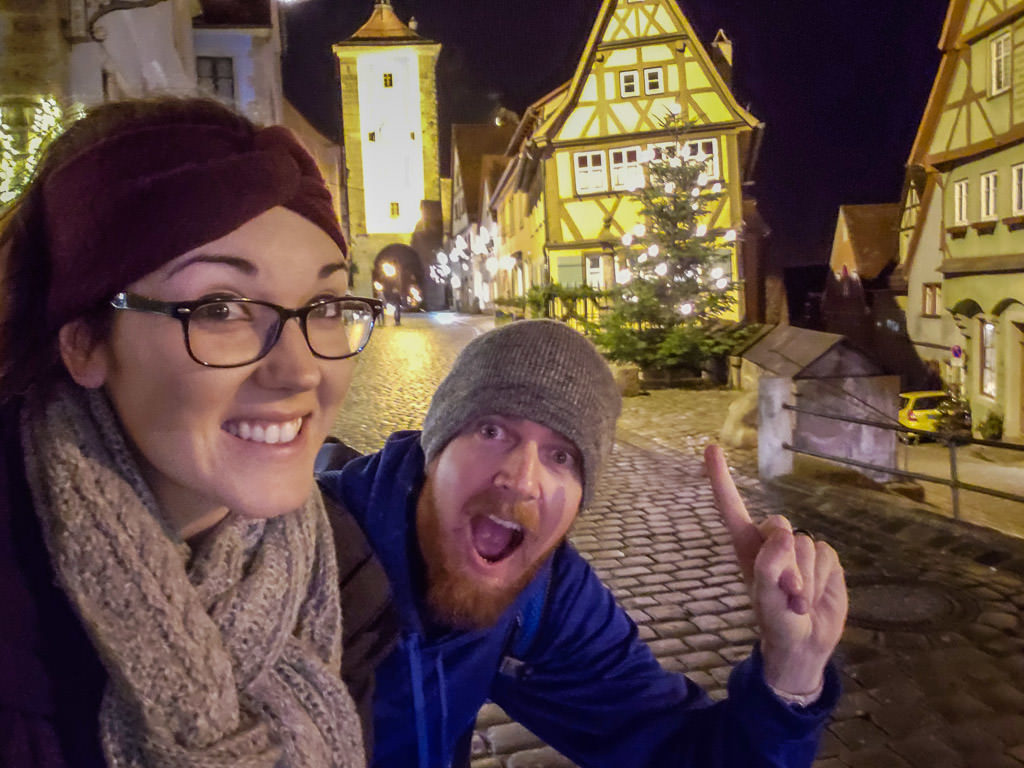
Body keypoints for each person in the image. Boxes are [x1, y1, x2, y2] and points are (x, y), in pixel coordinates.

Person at [0, 97, 390, 767]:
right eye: (220, 307)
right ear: (87, 342)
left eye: (325, 306)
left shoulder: (344, 573)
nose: (299, 371)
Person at [322, 319, 847, 768]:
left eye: (561, 456)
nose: (522, 479)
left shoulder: (540, 596)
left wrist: (790, 676)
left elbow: (672, 746)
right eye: (490, 430)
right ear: (435, 446)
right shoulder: (301, 567)